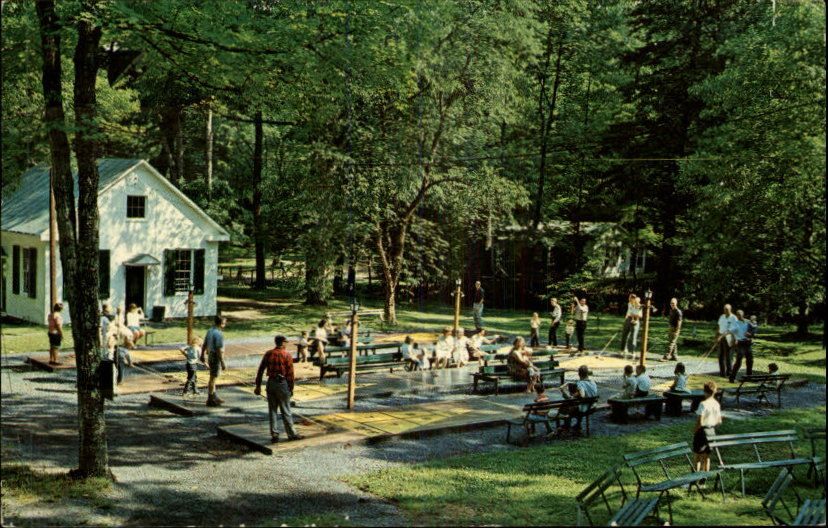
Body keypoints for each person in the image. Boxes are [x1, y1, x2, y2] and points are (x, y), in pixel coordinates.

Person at [254, 335, 303, 442]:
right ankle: (292, 434)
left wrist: (258, 386)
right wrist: (291, 388)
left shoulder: (268, 354)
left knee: (272, 409)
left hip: (270, 382)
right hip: (282, 383)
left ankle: (274, 434)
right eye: (286, 342)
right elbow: (290, 374)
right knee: (286, 409)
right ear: (283, 343)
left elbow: (260, 370)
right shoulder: (286, 355)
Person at [693, 381, 722, 473]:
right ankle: (704, 477)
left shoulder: (703, 404)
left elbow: (700, 421)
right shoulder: (716, 404)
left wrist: (695, 430)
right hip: (711, 431)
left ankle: (694, 478)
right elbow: (719, 421)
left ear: (705, 392)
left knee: (698, 455)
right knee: (707, 457)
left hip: (702, 431)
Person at [559, 365, 599, 431]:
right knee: (575, 404)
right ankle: (578, 425)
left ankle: (566, 426)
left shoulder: (580, 384)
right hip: (592, 407)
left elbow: (581, 395)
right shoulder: (593, 382)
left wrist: (563, 391)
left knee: (567, 406)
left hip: (583, 409)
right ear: (587, 373)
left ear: (579, 374)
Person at [202, 316, 227, 406]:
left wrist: (202, 354)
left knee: (213, 377)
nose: (225, 324)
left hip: (210, 356)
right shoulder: (218, 334)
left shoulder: (210, 330)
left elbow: (204, 343)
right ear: (221, 323)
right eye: (224, 322)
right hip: (216, 357)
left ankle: (214, 396)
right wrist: (222, 362)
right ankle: (210, 399)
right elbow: (218, 349)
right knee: (213, 378)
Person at [716, 304, 739, 378]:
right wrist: (717, 336)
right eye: (725, 309)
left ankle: (729, 372)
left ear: (730, 310)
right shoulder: (722, 317)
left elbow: (736, 330)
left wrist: (735, 339)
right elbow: (719, 327)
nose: (725, 311)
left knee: (728, 356)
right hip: (721, 337)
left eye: (727, 310)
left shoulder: (734, 318)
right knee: (720, 356)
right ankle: (722, 373)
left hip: (729, 338)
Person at [729, 310, 752, 383]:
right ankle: (732, 378)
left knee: (750, 360)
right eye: (738, 315)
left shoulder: (748, 322)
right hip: (740, 343)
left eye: (740, 314)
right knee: (739, 361)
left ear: (743, 314)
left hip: (748, 342)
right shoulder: (735, 323)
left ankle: (749, 377)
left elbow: (753, 331)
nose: (739, 316)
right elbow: (731, 332)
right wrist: (734, 339)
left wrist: (751, 335)